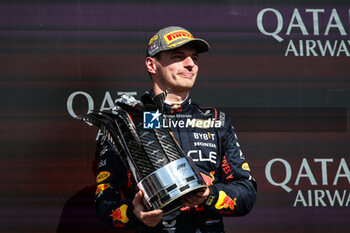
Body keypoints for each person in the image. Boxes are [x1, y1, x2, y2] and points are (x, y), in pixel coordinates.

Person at [94, 26, 257, 233]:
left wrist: (209, 195)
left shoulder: (217, 121)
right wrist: (134, 213)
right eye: (178, 57)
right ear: (152, 65)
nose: (190, 64)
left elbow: (246, 192)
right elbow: (105, 201)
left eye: (195, 58)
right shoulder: (128, 123)